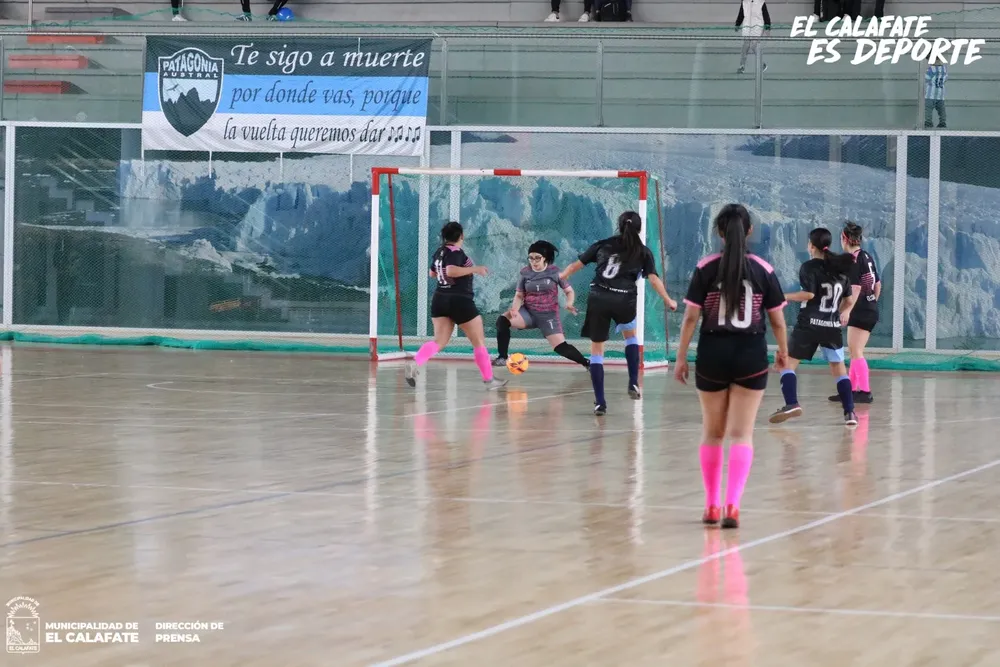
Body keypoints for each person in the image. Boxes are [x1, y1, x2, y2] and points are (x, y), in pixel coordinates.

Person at [674, 203, 789, 529]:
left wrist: (681, 358)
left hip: (712, 352)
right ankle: (732, 506)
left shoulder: (706, 267)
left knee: (712, 433)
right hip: (750, 353)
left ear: (719, 233)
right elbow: (777, 321)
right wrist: (783, 352)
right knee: (742, 435)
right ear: (749, 231)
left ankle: (711, 505)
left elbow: (691, 318)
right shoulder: (763, 270)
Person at [560, 211, 678, 416]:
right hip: (624, 298)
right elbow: (653, 279)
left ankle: (600, 402)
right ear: (639, 228)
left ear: (619, 226)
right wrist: (668, 300)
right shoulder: (643, 252)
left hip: (598, 297)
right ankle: (633, 381)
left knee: (597, 352)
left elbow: (574, 267)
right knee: (630, 337)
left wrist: (559, 278)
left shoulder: (603, 245)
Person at [769, 227, 858, 427]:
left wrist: (783, 296)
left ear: (811, 246)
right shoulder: (840, 270)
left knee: (786, 364)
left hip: (809, 324)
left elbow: (808, 295)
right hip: (831, 326)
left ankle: (791, 403)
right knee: (839, 369)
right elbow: (849, 301)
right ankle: (850, 412)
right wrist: (835, 313)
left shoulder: (809, 267)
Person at [405, 221, 508, 390]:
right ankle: (489, 379)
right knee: (478, 341)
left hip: (440, 299)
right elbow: (451, 271)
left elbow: (432, 273)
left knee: (439, 341)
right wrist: (475, 269)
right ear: (461, 236)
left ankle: (415, 363)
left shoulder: (439, 252)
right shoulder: (456, 252)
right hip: (460, 300)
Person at [493, 240, 591, 369]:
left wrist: (569, 303)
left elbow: (569, 291)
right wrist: (515, 309)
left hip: (548, 316)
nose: (533, 261)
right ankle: (502, 357)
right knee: (502, 320)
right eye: (531, 258)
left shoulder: (555, 272)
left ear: (544, 258)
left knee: (561, 347)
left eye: (537, 258)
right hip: (528, 313)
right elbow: (519, 295)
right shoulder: (525, 273)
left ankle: (587, 363)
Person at [829, 221, 880, 404]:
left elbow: (856, 288)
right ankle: (850, 391)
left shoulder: (853, 260)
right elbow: (877, 284)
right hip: (869, 308)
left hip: (861, 311)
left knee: (856, 351)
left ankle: (865, 391)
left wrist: (847, 310)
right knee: (854, 351)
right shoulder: (867, 256)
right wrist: (872, 302)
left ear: (844, 239)